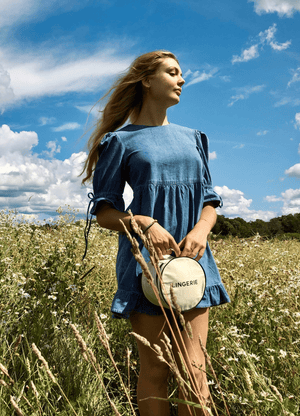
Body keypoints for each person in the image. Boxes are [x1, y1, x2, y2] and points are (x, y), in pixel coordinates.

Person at [81, 50, 230, 416]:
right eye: (173, 72)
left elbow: (210, 200)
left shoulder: (194, 138)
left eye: (181, 74)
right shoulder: (120, 141)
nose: (182, 80)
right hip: (148, 264)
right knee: (155, 370)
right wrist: (143, 223)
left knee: (195, 371)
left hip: (195, 260)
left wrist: (201, 229)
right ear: (147, 80)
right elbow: (105, 212)